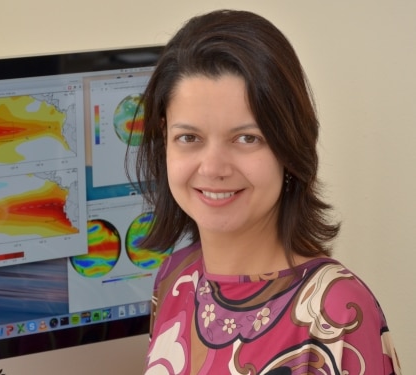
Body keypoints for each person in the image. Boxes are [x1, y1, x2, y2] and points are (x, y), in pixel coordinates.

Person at [129, 9, 402, 374]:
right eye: (189, 138)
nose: (213, 168)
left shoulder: (337, 315)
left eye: (246, 138)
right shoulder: (174, 278)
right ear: (165, 139)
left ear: (288, 146)